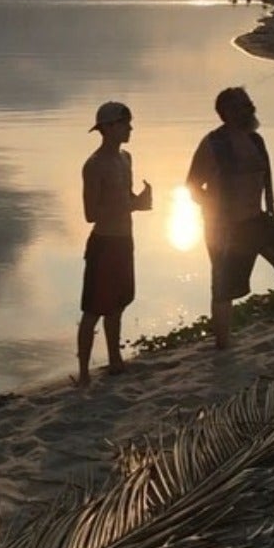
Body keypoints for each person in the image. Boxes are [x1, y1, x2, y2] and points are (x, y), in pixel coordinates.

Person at [186, 86, 274, 348]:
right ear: (228, 113)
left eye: (250, 103)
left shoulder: (256, 140)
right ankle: (223, 345)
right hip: (226, 228)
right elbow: (192, 185)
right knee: (224, 285)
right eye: (244, 105)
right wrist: (215, 208)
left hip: (258, 220)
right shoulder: (213, 144)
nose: (251, 108)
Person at [77, 101, 153, 386]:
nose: (130, 127)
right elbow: (90, 213)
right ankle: (84, 372)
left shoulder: (126, 158)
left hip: (125, 241)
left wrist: (140, 201)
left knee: (118, 304)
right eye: (124, 123)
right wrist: (130, 206)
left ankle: (114, 360)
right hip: (104, 243)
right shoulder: (94, 165)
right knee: (93, 310)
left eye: (129, 122)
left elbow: (126, 199)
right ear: (108, 128)